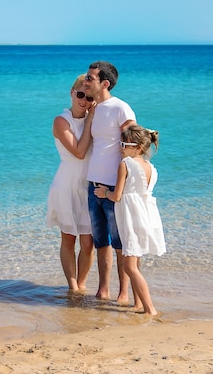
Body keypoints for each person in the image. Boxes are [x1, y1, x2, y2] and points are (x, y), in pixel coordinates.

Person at [94, 125, 166, 315]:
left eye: (124, 144)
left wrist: (104, 192)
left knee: (129, 266)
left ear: (138, 148)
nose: (121, 148)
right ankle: (138, 304)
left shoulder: (125, 164)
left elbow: (117, 196)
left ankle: (150, 309)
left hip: (132, 218)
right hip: (147, 216)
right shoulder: (151, 167)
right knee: (135, 262)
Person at [83, 61, 136, 302]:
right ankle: (102, 290)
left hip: (115, 187)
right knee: (100, 242)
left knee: (120, 243)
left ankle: (123, 294)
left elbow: (135, 145)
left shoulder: (121, 108)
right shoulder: (95, 109)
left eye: (90, 78)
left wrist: (125, 183)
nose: (85, 81)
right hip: (93, 185)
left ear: (105, 83)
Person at [46, 74, 96, 292]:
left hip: (89, 184)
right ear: (72, 93)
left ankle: (82, 284)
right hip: (67, 183)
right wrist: (90, 121)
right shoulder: (61, 120)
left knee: (88, 243)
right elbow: (78, 151)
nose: (83, 100)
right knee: (68, 238)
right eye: (80, 94)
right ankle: (73, 286)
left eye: (89, 97)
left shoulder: (95, 118)